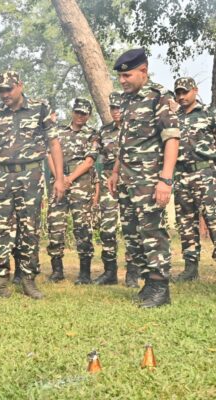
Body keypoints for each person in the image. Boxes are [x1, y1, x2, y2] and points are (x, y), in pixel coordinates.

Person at [0, 71, 65, 300]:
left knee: (29, 229)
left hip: (31, 176)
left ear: (20, 86)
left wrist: (60, 178)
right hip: (2, 177)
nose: (4, 94)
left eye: (9, 89)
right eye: (1, 90)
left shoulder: (39, 108)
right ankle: (0, 281)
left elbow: (53, 144)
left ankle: (28, 280)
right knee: (0, 228)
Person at [107, 48, 180, 308]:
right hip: (127, 180)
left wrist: (165, 180)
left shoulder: (159, 97)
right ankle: (149, 284)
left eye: (127, 75)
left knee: (152, 231)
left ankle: (161, 287)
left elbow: (171, 139)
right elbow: (124, 143)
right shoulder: (125, 101)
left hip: (149, 180)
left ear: (143, 71)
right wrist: (115, 172)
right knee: (134, 233)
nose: (123, 80)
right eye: (120, 77)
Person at [46, 98, 97, 284]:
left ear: (89, 115)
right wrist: (60, 178)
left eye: (84, 113)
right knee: (55, 225)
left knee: (82, 227)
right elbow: (49, 154)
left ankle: (84, 273)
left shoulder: (92, 134)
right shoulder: (58, 132)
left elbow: (89, 161)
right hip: (59, 183)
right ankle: (57, 270)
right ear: (72, 112)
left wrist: (70, 179)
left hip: (81, 185)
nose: (80, 116)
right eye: (77, 112)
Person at [171, 77, 216, 281]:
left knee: (213, 220)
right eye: (178, 93)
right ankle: (190, 268)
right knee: (186, 222)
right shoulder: (173, 118)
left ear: (195, 91)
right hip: (181, 175)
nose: (181, 96)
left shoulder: (209, 115)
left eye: (185, 92)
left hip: (205, 174)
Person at [92, 93, 138, 287]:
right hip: (108, 180)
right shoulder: (104, 131)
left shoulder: (134, 129)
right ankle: (110, 271)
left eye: (119, 108)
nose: (116, 111)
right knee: (107, 228)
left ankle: (133, 274)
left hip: (129, 179)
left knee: (131, 228)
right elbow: (95, 157)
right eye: (113, 108)